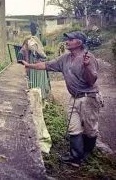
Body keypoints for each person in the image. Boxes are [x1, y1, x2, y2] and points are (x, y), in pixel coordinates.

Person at [18, 31, 102, 165]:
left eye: (70, 39)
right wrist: (29, 65)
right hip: (73, 97)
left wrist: (86, 67)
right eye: (67, 39)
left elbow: (91, 81)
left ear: (79, 43)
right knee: (74, 127)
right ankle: (75, 156)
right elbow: (47, 65)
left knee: (90, 129)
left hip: (89, 98)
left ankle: (87, 155)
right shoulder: (65, 58)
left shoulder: (88, 58)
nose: (67, 41)